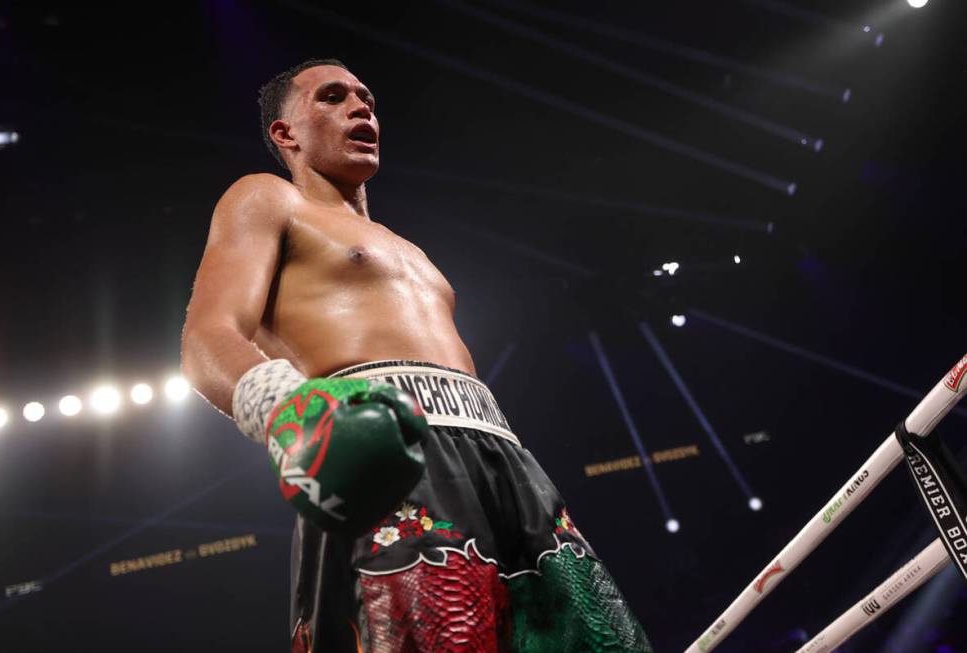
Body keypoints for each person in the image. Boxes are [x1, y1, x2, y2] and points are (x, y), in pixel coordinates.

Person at [180, 57, 653, 653]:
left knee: (601, 640)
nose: (361, 108)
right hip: (384, 458)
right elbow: (207, 338)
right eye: (332, 97)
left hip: (502, 459)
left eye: (367, 99)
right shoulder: (268, 199)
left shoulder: (410, 250)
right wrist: (289, 411)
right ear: (285, 133)